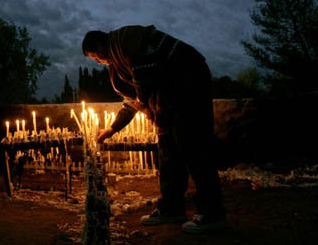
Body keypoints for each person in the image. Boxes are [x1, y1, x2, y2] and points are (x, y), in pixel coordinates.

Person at [82, 25, 227, 234]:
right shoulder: (118, 63)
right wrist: (112, 129)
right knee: (168, 151)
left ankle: (213, 214)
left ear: (99, 46)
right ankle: (171, 208)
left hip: (188, 80)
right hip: (166, 97)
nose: (97, 62)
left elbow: (144, 81)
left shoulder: (126, 40)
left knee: (192, 145)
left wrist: (145, 103)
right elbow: (132, 100)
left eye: (94, 57)